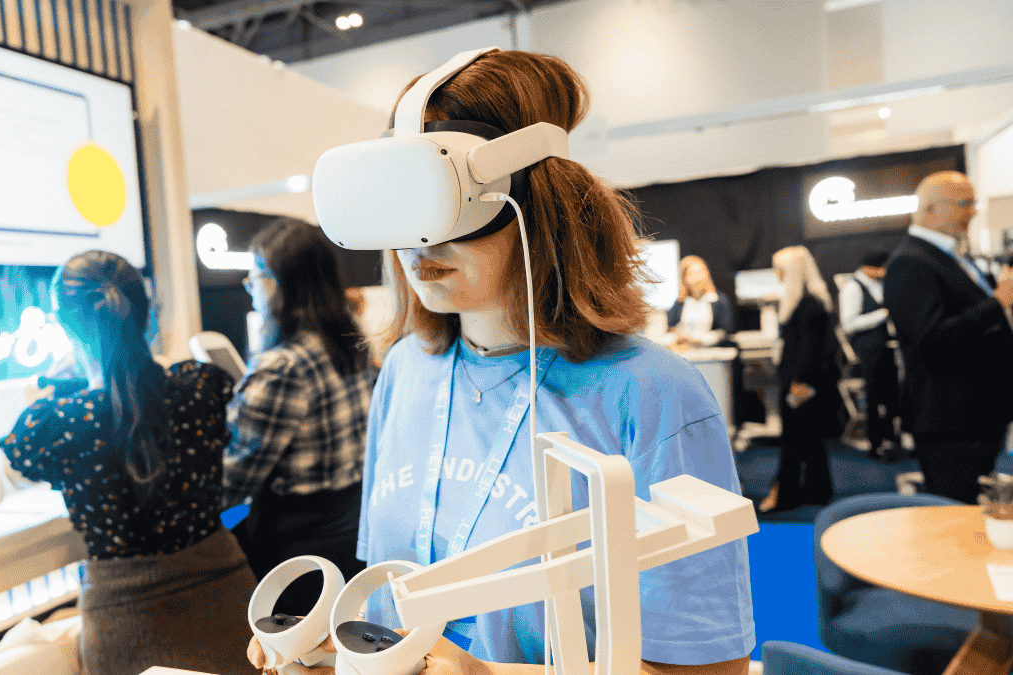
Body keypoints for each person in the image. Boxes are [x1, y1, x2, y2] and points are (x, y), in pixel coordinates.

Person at [252, 50, 754, 675]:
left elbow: (709, 669)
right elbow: (385, 602)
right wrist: (340, 654)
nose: (422, 241)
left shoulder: (653, 397)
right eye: (402, 202)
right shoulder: (407, 370)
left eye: (448, 200)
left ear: (536, 203)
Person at [0, 250, 257, 675]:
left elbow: (16, 470)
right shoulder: (199, 386)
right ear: (148, 314)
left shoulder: (58, 423)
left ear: (64, 326)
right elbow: (146, 394)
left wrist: (51, 398)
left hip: (126, 636)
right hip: (231, 618)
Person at [224, 217, 376, 615]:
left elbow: (234, 478)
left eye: (254, 276)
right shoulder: (349, 342)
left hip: (296, 550)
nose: (249, 287)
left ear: (278, 282)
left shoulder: (282, 365)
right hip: (351, 531)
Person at [883, 171, 1013, 504]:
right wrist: (997, 302)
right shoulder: (911, 262)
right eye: (965, 204)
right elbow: (933, 340)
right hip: (950, 421)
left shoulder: (952, 256)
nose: (972, 212)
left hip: (976, 415)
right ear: (932, 209)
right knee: (954, 519)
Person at [759, 246, 839, 513]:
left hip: (800, 383)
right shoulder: (814, 300)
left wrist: (797, 383)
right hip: (808, 383)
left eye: (778, 268)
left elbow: (808, 350)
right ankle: (818, 490)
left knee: (793, 440)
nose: (775, 273)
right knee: (810, 438)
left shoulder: (806, 304)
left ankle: (785, 494)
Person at [838, 250, 901, 461]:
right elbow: (848, 324)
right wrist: (882, 315)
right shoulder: (852, 287)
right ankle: (875, 445)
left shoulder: (879, 284)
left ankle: (893, 441)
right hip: (867, 348)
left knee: (891, 396)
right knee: (873, 397)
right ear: (868, 267)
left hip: (885, 347)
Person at [667, 255, 734, 348]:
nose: (698, 278)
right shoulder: (680, 303)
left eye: (700, 273)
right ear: (684, 279)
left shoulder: (718, 300)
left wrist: (701, 339)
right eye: (692, 275)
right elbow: (671, 328)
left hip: (712, 353)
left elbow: (726, 331)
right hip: (684, 352)